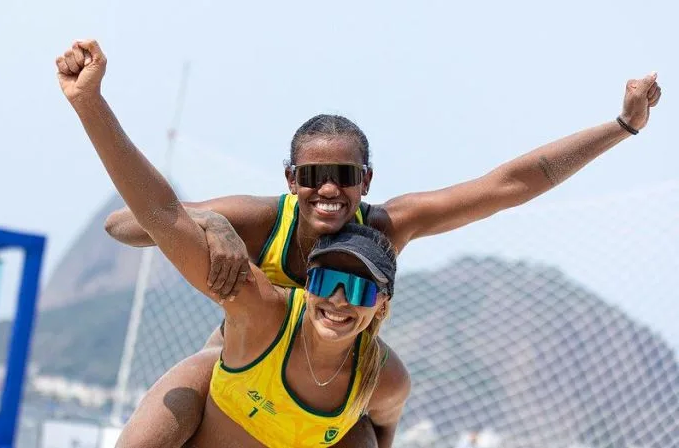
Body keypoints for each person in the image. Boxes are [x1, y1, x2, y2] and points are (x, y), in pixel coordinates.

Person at [94, 40, 661, 447]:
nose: (330, 189)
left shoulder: (388, 227)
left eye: (346, 174)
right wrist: (212, 224)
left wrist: (622, 126)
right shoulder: (258, 221)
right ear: (291, 180)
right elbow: (128, 223)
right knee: (177, 399)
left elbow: (508, 185)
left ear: (367, 180)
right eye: (313, 176)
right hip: (243, 364)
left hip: (334, 387)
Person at [55, 40, 411, 447]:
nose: (340, 298)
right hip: (225, 385)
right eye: (326, 281)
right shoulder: (261, 308)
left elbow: (386, 426)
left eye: (360, 287)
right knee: (185, 386)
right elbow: (161, 215)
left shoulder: (384, 378)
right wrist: (88, 101)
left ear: (382, 303)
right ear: (305, 283)